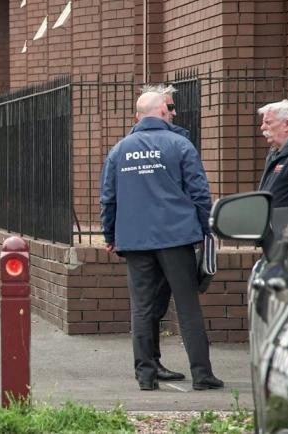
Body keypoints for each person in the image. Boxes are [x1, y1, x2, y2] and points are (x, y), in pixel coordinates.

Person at [100, 91, 222, 391]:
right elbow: (199, 192)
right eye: (169, 109)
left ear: (137, 116)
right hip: (177, 237)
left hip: (135, 240)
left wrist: (110, 235)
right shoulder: (180, 144)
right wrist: (208, 228)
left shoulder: (119, 150)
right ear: (163, 113)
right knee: (187, 305)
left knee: (142, 307)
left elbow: (109, 199)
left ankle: (146, 375)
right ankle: (202, 374)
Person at [128, 84, 187, 382]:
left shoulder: (179, 139)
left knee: (152, 304)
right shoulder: (138, 143)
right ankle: (149, 365)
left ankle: (149, 367)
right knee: (149, 304)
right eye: (170, 107)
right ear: (157, 109)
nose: (174, 112)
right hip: (164, 235)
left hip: (148, 235)